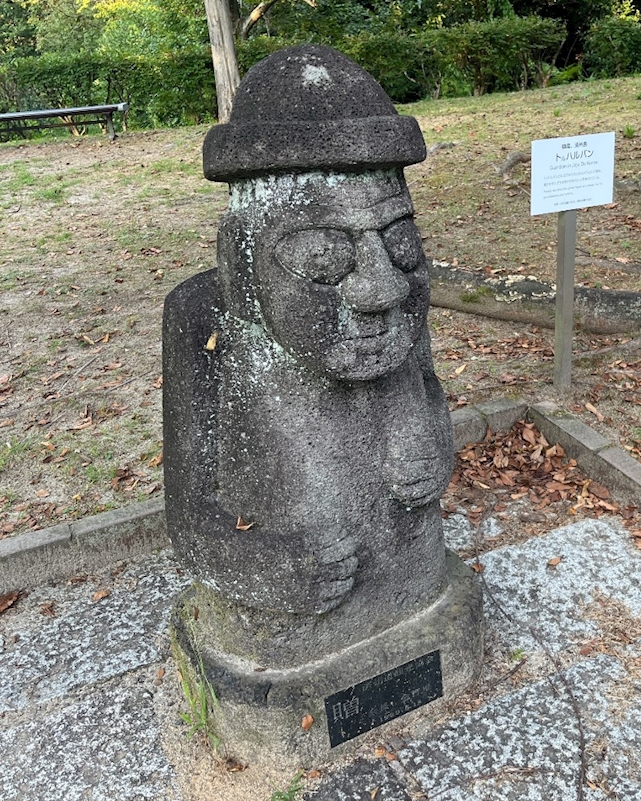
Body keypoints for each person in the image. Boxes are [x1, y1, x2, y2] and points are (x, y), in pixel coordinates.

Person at [163, 47, 453, 639]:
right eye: (323, 258)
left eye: (400, 244)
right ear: (241, 263)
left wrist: (437, 454)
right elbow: (190, 520)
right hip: (292, 618)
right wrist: (264, 568)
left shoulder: (400, 301)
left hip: (413, 576)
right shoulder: (203, 317)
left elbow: (430, 393)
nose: (381, 288)